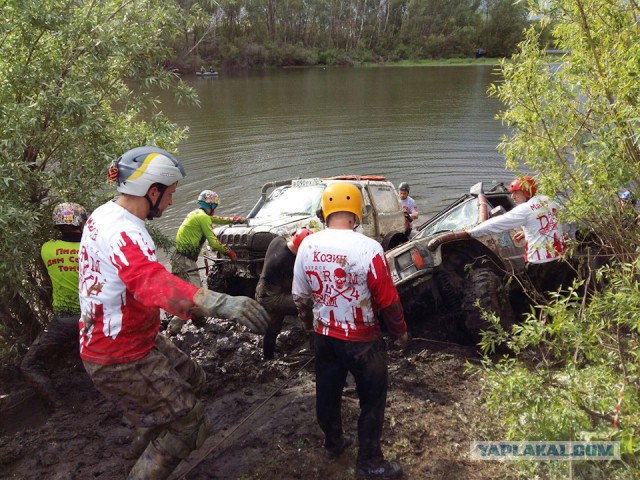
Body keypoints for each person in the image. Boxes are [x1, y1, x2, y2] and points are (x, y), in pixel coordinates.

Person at [78, 146, 269, 480]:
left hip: (135, 335)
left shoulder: (106, 214)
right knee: (192, 425)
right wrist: (222, 303)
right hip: (120, 354)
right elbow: (149, 280)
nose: (171, 202)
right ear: (152, 192)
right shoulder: (122, 232)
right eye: (169, 194)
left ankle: (148, 432)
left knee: (194, 379)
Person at [292, 182, 409, 479]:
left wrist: (310, 327)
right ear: (357, 213)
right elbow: (388, 300)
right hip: (363, 342)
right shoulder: (368, 248)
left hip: (325, 337)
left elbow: (301, 298)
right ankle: (369, 462)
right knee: (372, 400)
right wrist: (400, 332)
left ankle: (333, 443)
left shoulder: (307, 244)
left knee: (327, 392)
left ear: (325, 212)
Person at [20, 202, 88, 408]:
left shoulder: (47, 249)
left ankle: (58, 408)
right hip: (93, 318)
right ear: (82, 223)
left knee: (29, 366)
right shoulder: (90, 248)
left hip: (62, 322)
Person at [468, 175, 571, 299]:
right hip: (560, 258)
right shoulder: (548, 200)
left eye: (516, 193)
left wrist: (472, 232)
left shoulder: (524, 209)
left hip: (539, 263)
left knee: (537, 297)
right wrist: (527, 232)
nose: (512, 197)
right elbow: (552, 221)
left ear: (527, 192)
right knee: (560, 293)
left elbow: (497, 223)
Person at [168, 189, 246, 333]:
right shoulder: (203, 218)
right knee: (195, 295)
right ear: (211, 206)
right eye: (214, 208)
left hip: (180, 258)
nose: (214, 211)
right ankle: (172, 329)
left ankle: (199, 321)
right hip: (185, 261)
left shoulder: (196, 214)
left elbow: (216, 219)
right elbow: (214, 243)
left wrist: (234, 220)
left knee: (191, 293)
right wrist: (230, 253)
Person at [256, 227, 314, 360]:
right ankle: (314, 350)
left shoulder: (277, 241)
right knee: (310, 306)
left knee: (273, 326)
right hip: (272, 297)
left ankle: (268, 357)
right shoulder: (289, 262)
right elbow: (300, 288)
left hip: (262, 288)